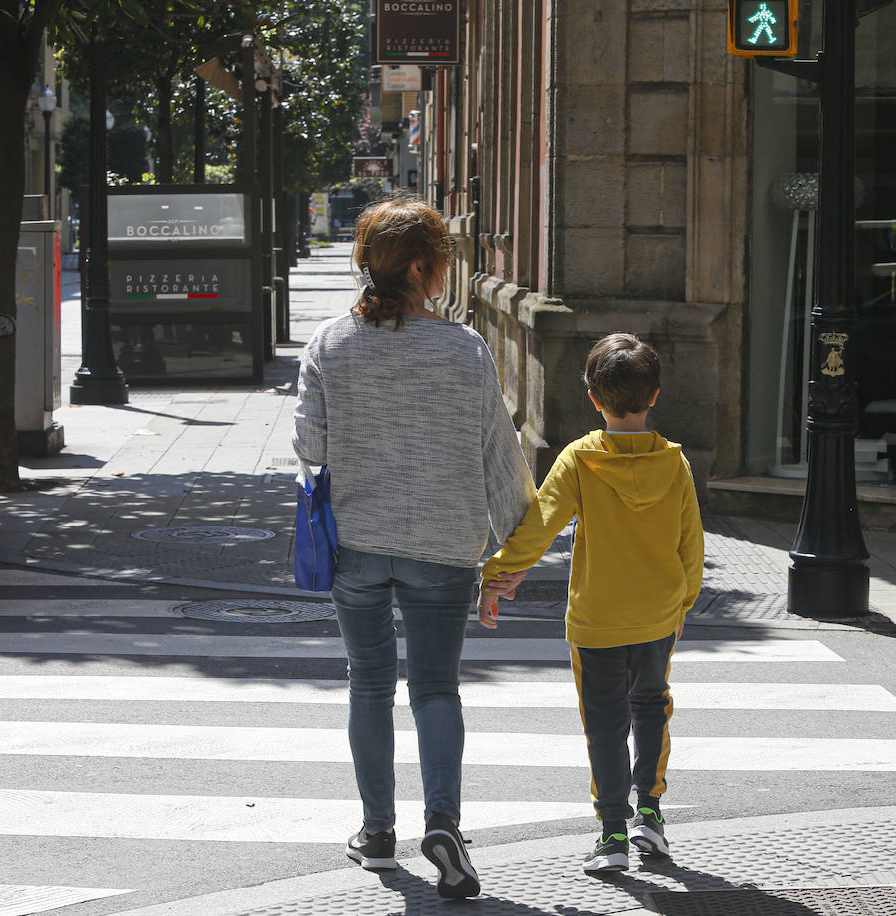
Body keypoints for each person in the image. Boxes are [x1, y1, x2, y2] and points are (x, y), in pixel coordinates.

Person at [293, 192, 534, 899]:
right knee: (435, 687)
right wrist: (511, 556)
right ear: (426, 269)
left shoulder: (329, 344)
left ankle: (376, 833)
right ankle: (445, 822)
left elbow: (309, 446)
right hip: (444, 546)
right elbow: (500, 457)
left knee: (367, 684)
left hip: (357, 547)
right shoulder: (464, 350)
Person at [476, 333, 704, 873]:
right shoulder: (675, 464)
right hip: (656, 614)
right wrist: (683, 607)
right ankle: (651, 813)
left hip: (597, 619)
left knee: (604, 723)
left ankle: (612, 835)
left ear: (594, 398)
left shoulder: (580, 459)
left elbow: (541, 523)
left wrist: (499, 574)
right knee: (652, 707)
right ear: (654, 396)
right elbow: (690, 543)